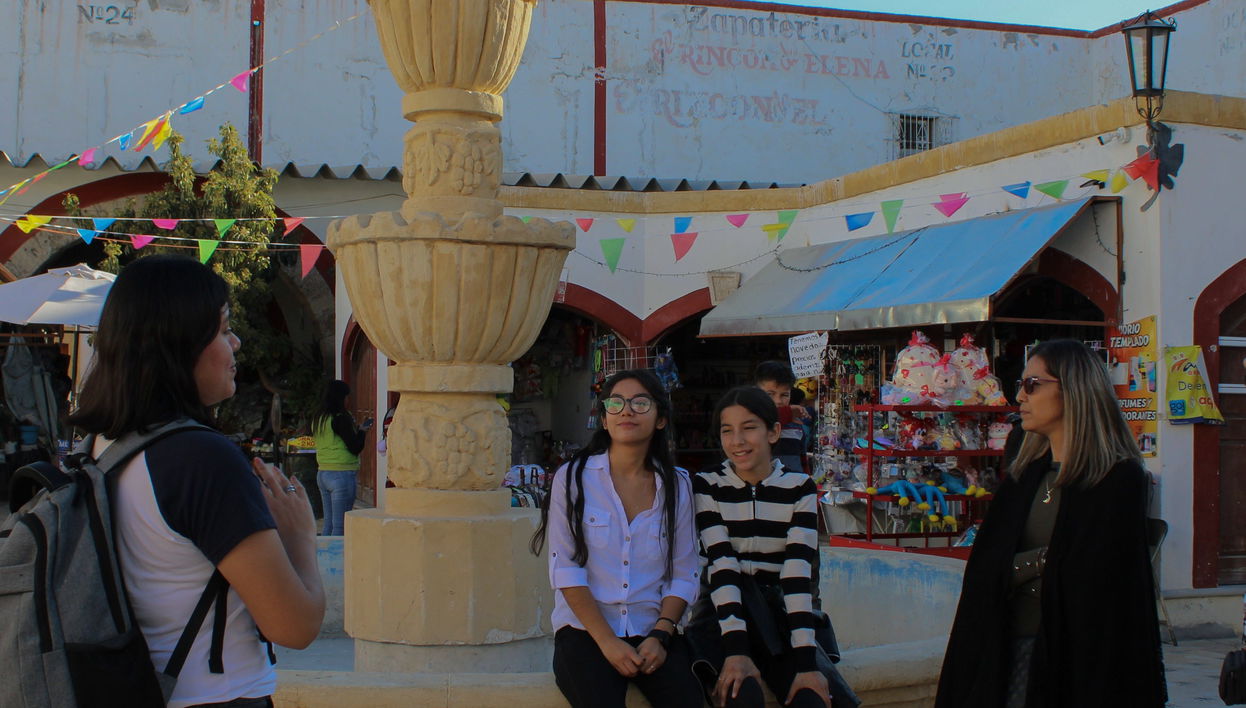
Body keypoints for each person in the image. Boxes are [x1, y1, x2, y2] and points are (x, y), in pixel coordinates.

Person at [68, 255, 325, 708]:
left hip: (135, 687)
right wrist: (301, 534)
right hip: (217, 695)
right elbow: (295, 626)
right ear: (180, 344)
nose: (237, 343)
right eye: (224, 329)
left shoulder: (100, 446)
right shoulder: (202, 460)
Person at [935, 339, 1166, 708]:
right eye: (1020, 385)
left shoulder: (1118, 480)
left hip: (1076, 665)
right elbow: (984, 570)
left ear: (1074, 390)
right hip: (1002, 649)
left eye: (1032, 384)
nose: (1021, 397)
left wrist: (1024, 567)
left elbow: (1099, 584)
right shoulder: (1023, 478)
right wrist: (1043, 561)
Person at [531, 369, 703, 708]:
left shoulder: (678, 485)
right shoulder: (574, 478)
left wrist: (661, 634)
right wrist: (608, 643)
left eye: (640, 403)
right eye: (616, 403)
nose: (627, 411)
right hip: (586, 632)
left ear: (660, 419)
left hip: (654, 630)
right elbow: (566, 569)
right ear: (605, 418)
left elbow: (684, 573)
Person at [688, 386, 856, 708]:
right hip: (721, 616)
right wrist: (737, 651)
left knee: (814, 698)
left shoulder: (800, 488)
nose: (737, 441)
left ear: (774, 432)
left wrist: (806, 663)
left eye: (749, 428)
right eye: (727, 431)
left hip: (776, 616)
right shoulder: (708, 485)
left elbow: (796, 574)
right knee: (739, 695)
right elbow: (722, 565)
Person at [312, 379, 371, 536]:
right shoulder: (340, 417)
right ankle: (339, 561)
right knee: (340, 527)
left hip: (323, 473)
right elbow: (355, 447)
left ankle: (324, 560)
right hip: (341, 474)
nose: (349, 400)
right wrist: (363, 431)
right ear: (341, 397)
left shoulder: (319, 418)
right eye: (347, 396)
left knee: (328, 525)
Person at [754, 361, 806, 474]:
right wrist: (787, 412)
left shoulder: (796, 425)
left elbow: (802, 460)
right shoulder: (752, 420)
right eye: (770, 394)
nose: (778, 401)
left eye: (784, 395)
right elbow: (765, 420)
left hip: (794, 486)